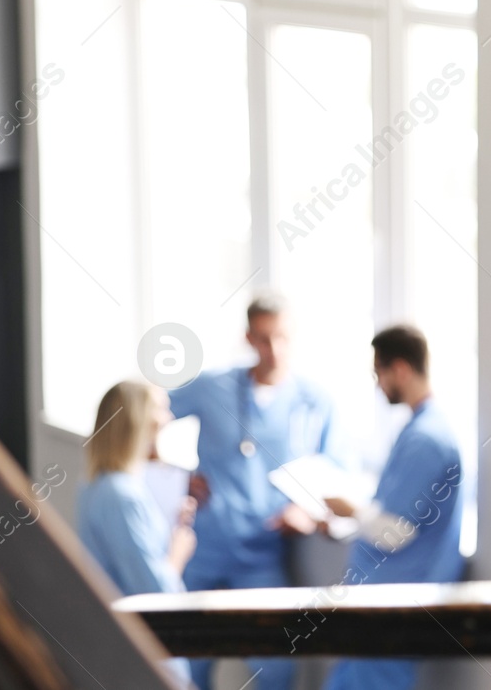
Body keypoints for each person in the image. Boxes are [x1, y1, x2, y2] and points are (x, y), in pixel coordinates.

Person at [168, 293, 341, 690]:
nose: (273, 350)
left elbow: (337, 469)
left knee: (276, 666)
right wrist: (173, 476)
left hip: (262, 555)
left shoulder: (315, 401)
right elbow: (144, 416)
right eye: (263, 339)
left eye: (281, 337)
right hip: (206, 546)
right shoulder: (214, 387)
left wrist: (308, 510)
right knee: (184, 662)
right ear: (249, 338)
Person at [319, 324, 464, 690]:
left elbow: (396, 532)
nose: (378, 384)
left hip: (395, 608)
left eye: (378, 373)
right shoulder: (421, 429)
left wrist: (350, 510)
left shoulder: (427, 440)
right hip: (379, 606)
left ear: (399, 368)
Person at [76, 380, 196, 687]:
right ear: (139, 420)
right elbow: (154, 590)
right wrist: (178, 552)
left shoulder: (96, 488)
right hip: (142, 652)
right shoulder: (123, 496)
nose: (168, 418)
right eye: (161, 409)